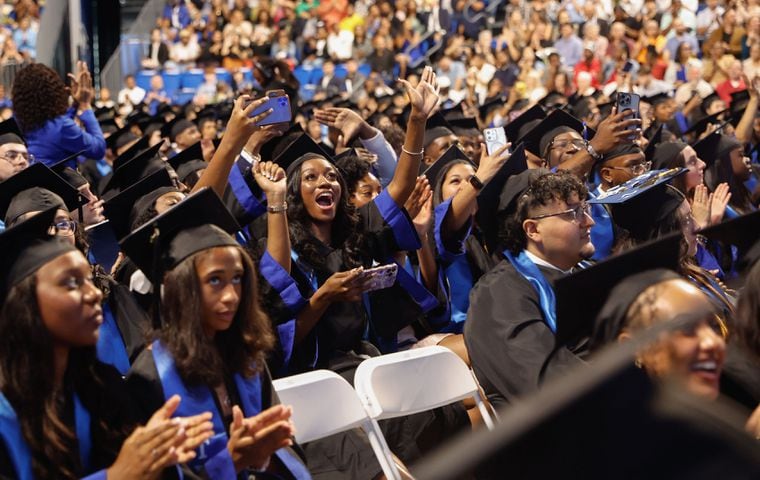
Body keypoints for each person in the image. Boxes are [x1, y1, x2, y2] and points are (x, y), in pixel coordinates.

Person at [0, 208, 214, 478]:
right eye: (71, 283)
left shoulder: (100, 384)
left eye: (88, 281)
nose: (93, 294)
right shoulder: (5, 417)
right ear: (25, 306)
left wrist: (229, 458)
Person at [123, 189, 311, 478]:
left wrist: (261, 456)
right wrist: (232, 461)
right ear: (179, 287)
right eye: (214, 280)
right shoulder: (149, 377)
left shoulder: (247, 355)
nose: (231, 296)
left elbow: (286, 450)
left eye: (237, 279)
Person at [465, 170, 595, 409]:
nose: (589, 221)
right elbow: (548, 381)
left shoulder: (587, 272)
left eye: (585, 208)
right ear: (533, 230)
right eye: (573, 213)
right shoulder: (499, 294)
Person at [12, 61, 106, 168]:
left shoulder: (16, 123)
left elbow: (54, 132)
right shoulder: (61, 126)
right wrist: (85, 105)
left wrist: (75, 105)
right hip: (56, 184)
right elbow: (98, 149)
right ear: (53, 93)